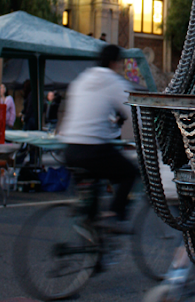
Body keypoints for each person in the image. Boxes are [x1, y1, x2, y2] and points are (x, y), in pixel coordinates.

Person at [59, 44, 138, 227]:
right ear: (114, 62)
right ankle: (114, 213)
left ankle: (91, 236)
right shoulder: (113, 81)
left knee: (91, 191)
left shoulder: (81, 79)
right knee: (130, 174)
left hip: (70, 149)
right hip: (93, 148)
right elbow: (134, 111)